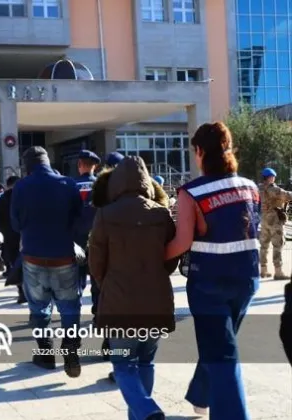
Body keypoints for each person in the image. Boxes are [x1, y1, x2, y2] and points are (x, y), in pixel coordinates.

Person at [165, 122, 259, 419]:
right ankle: (200, 396)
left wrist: (151, 259)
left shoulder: (192, 192)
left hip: (210, 286)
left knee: (222, 355)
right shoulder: (250, 187)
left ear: (200, 151)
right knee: (222, 343)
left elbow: (181, 243)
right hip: (246, 280)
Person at [88, 156, 178, 420]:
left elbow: (96, 262)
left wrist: (108, 284)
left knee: (124, 364)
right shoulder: (161, 213)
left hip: (119, 301)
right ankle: (140, 414)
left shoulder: (105, 214)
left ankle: (147, 409)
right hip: (157, 299)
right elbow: (170, 259)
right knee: (146, 361)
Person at [11, 146, 83, 378]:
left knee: (39, 306)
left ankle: (46, 354)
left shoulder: (21, 186)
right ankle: (71, 350)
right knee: (70, 306)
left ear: (28, 165)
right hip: (63, 255)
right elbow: (78, 219)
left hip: (33, 256)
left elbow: (15, 223)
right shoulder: (68, 184)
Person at [73, 150, 100, 308]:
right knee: (97, 273)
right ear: (95, 166)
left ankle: (75, 306)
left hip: (75, 237)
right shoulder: (101, 185)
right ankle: (97, 308)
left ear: (79, 165)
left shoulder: (69, 184)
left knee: (76, 274)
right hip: (97, 236)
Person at [259, 167, 292, 280]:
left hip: (264, 219)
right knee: (278, 245)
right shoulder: (272, 188)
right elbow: (287, 196)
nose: (274, 178)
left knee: (264, 245)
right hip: (274, 220)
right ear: (270, 177)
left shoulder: (260, 188)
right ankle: (278, 272)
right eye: (273, 177)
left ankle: (263, 270)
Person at [0, 176, 24, 303]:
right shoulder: (24, 197)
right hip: (25, 235)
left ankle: (21, 291)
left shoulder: (0, 200)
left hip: (9, 236)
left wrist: (5, 231)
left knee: (14, 262)